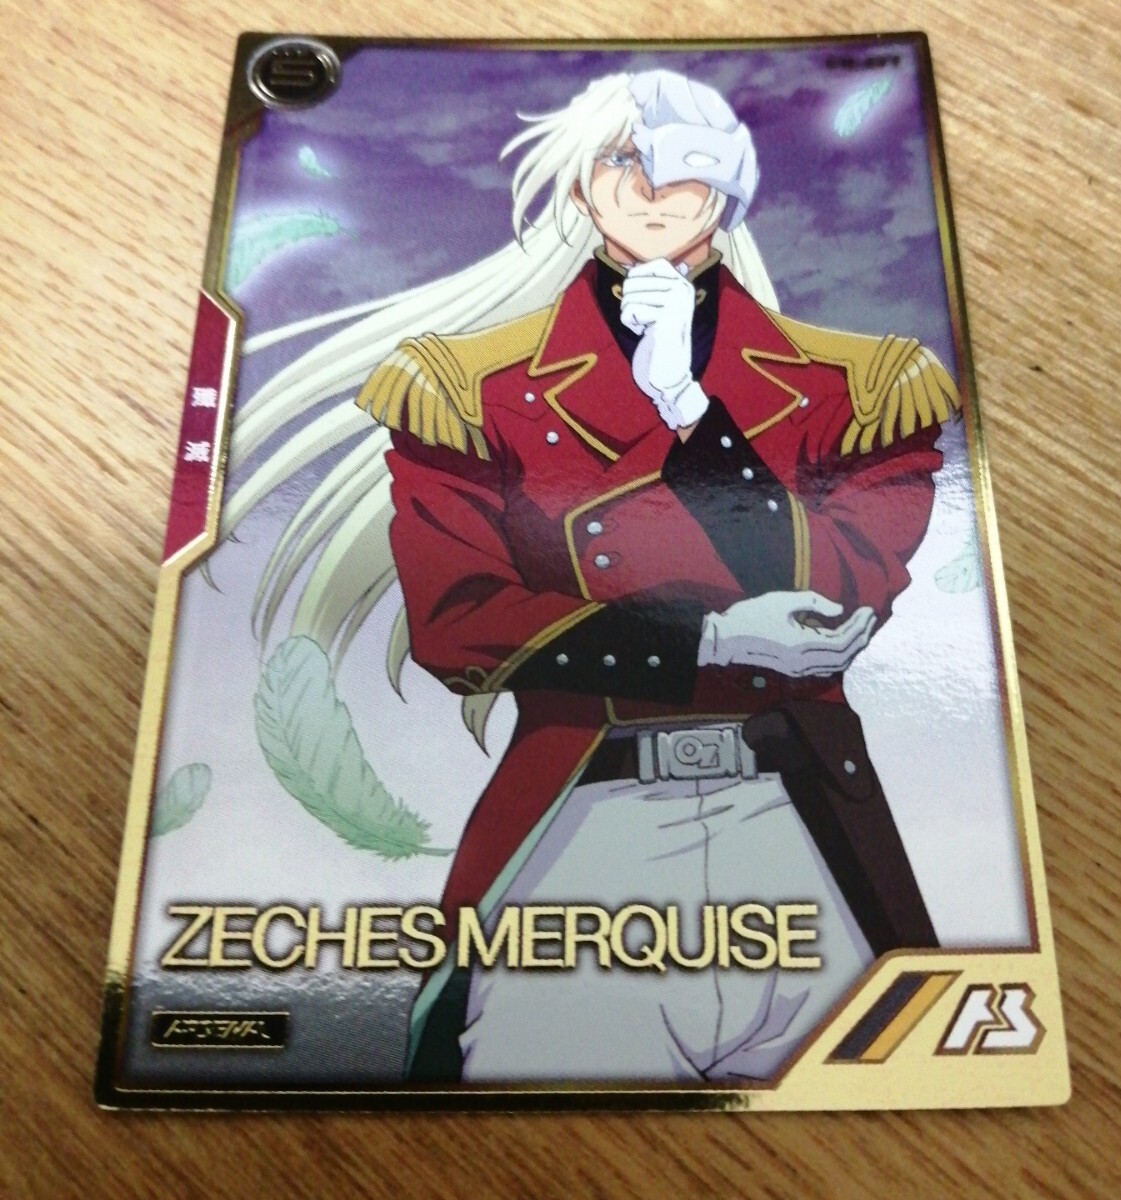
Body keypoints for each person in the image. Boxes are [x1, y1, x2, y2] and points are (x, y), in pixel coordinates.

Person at [229, 69, 960, 1084]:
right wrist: (709, 637)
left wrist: (694, 415)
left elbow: (841, 598)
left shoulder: (864, 386)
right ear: (581, 185)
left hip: (799, 825)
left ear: (730, 188)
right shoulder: (466, 387)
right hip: (585, 829)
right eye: (624, 158)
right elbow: (458, 623)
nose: (652, 185)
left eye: (683, 162)